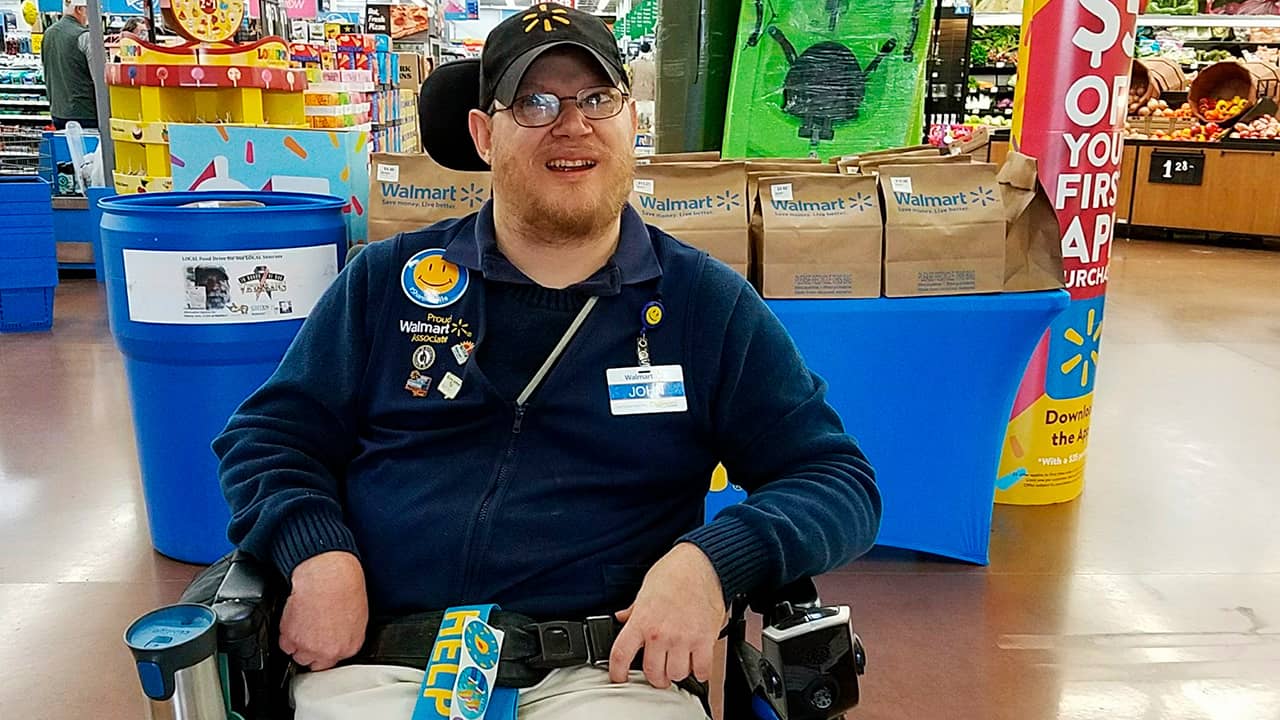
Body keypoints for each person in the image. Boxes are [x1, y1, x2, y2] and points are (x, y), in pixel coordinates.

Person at [213, 7, 881, 719]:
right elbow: (270, 437)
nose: (572, 124)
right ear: (482, 132)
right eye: (534, 101)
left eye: (598, 99)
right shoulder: (386, 282)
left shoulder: (704, 305)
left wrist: (714, 561)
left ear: (631, 124)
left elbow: (836, 479)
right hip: (385, 656)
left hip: (610, 673)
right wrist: (316, 551)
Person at [41, 0, 97, 130]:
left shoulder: (48, 33)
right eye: (88, 11)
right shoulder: (84, 36)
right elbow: (99, 78)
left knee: (66, 149)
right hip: (85, 114)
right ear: (79, 9)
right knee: (90, 150)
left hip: (58, 112)